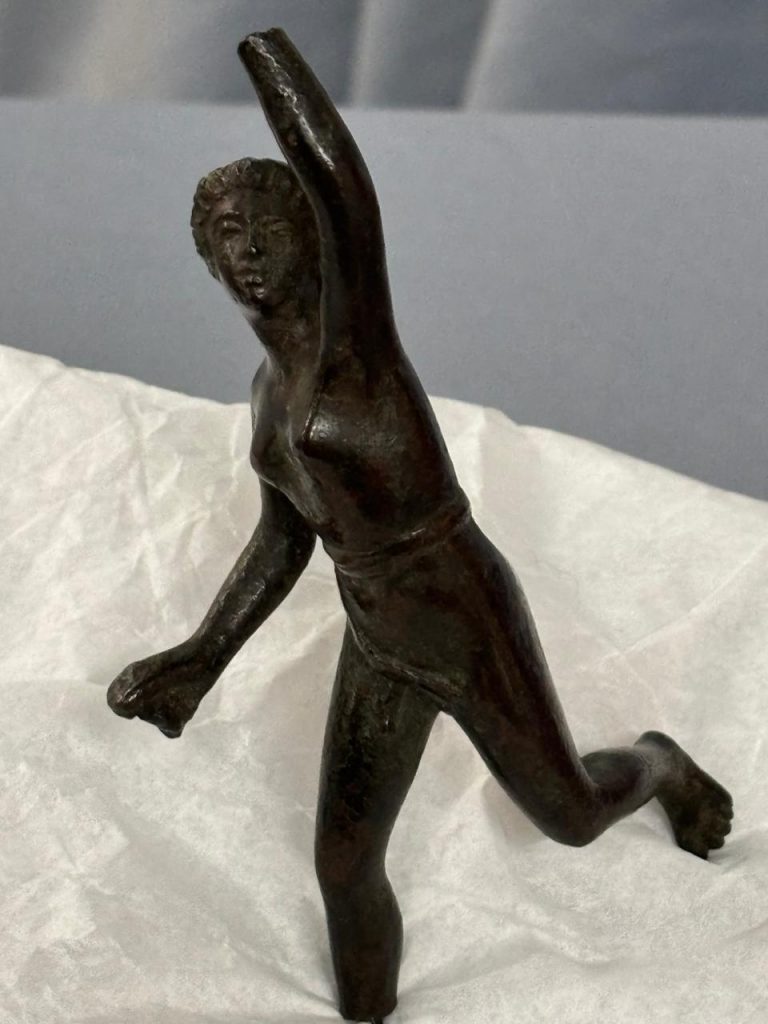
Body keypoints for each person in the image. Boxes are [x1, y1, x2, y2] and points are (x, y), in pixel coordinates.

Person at [107, 28, 733, 1024]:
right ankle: (369, 1012)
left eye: (269, 226)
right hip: (380, 641)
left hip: (465, 617)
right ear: (207, 261)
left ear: (314, 241)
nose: (249, 247)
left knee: (571, 816)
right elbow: (284, 541)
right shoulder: (269, 397)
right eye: (226, 233)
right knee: (343, 864)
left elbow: (339, 175)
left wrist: (266, 52)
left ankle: (659, 762)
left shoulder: (355, 343)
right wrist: (201, 656)